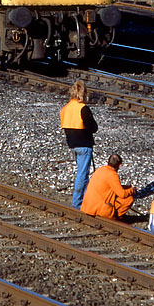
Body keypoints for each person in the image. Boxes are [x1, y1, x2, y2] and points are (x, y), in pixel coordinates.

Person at [59, 80, 98, 209]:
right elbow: (93, 127)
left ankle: (86, 199)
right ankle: (77, 202)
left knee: (82, 172)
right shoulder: (83, 109)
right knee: (82, 174)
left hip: (72, 144)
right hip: (84, 145)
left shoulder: (65, 109)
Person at [81, 155, 136, 220]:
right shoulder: (112, 174)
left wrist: (127, 187)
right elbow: (122, 194)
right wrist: (133, 190)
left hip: (87, 207)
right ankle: (114, 218)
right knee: (129, 199)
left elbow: (111, 186)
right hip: (100, 210)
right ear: (119, 165)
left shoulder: (100, 169)